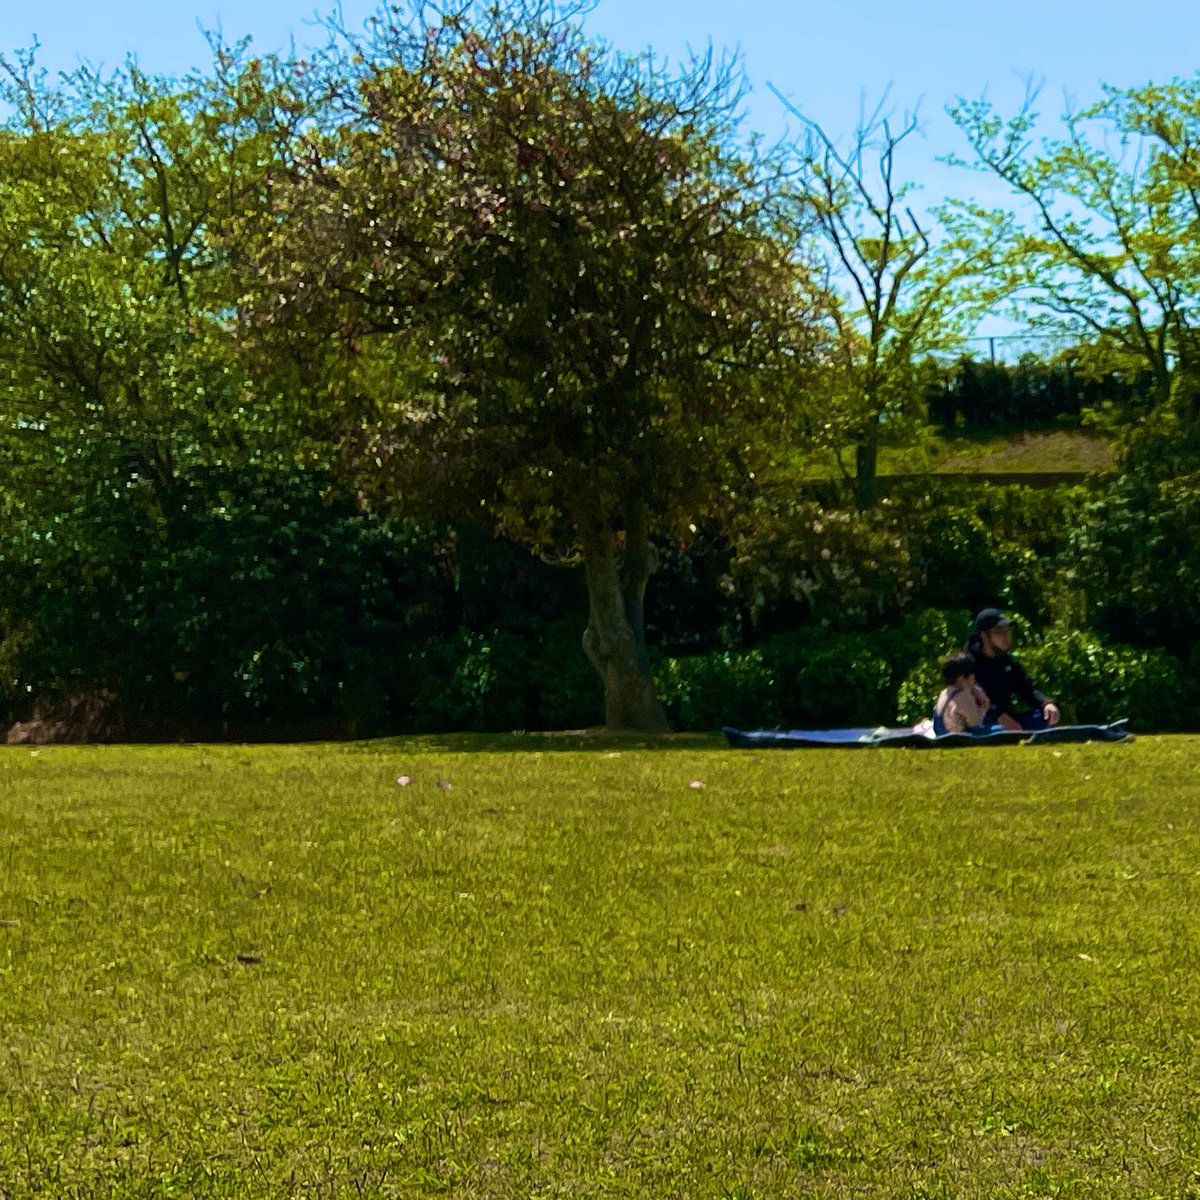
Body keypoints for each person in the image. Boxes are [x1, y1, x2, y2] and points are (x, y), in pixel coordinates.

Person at [966, 608, 1061, 731]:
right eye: (999, 631)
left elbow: (1027, 689)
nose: (1006, 636)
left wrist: (1046, 704)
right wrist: (998, 715)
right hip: (982, 720)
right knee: (996, 730)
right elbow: (969, 698)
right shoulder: (968, 663)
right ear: (984, 636)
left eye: (1007, 630)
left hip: (1008, 719)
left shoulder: (1007, 661)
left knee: (1043, 717)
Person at [931, 652, 991, 735]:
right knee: (1000, 730)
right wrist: (984, 707)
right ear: (963, 677)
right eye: (972, 675)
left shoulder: (944, 693)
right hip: (959, 737)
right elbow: (976, 722)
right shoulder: (962, 696)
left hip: (943, 736)